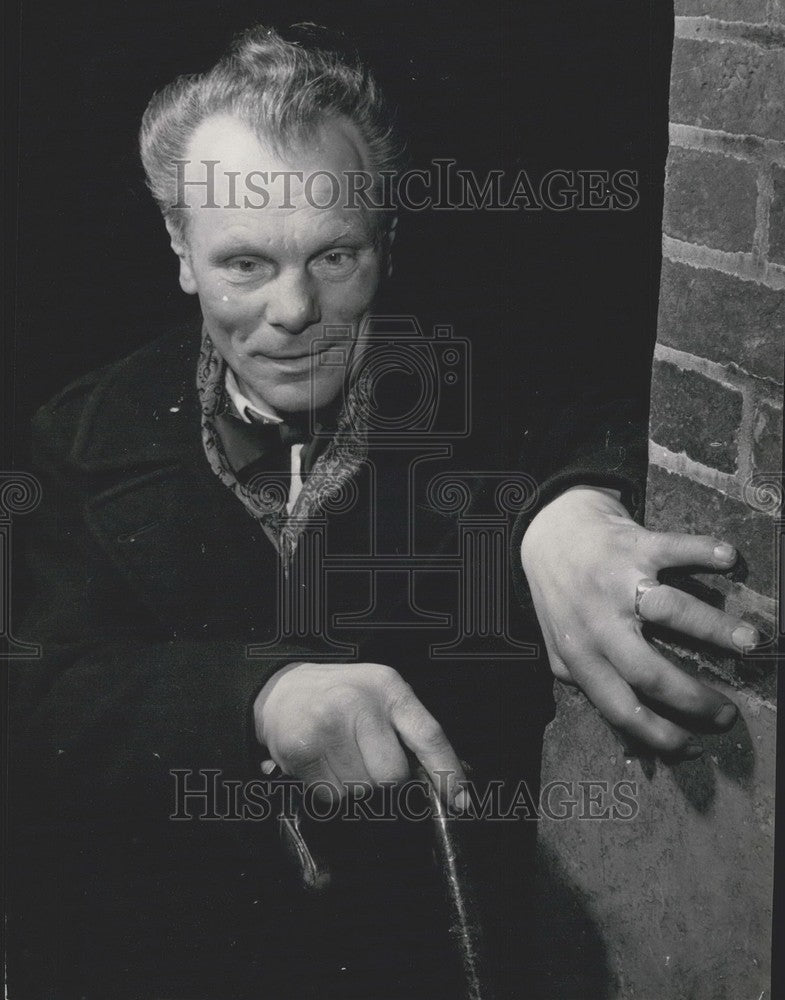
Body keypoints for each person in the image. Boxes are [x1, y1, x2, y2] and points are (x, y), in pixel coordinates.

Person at [8, 23, 757, 1000]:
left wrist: (565, 510)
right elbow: (42, 691)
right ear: (179, 250)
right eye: (243, 263)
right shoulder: (77, 434)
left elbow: (588, 419)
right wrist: (255, 699)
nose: (291, 310)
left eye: (334, 257)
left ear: (387, 243)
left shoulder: (485, 396)